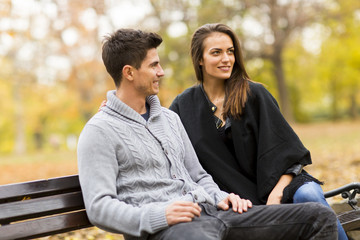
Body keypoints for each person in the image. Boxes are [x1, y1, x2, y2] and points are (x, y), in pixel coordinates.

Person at [78, 28, 338, 240]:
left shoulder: (169, 118)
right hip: (174, 229)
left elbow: (198, 175)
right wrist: (160, 215)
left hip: (216, 212)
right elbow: (99, 207)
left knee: (318, 217)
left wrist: (222, 197)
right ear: (129, 72)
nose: (162, 71)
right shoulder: (99, 131)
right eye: (154, 65)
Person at [169, 23, 347, 239]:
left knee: (309, 194)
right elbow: (177, 163)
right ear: (200, 59)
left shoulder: (255, 94)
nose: (226, 59)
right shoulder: (182, 106)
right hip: (233, 201)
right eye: (216, 52)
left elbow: (290, 155)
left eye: (230, 51)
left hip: (281, 185)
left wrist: (277, 194)